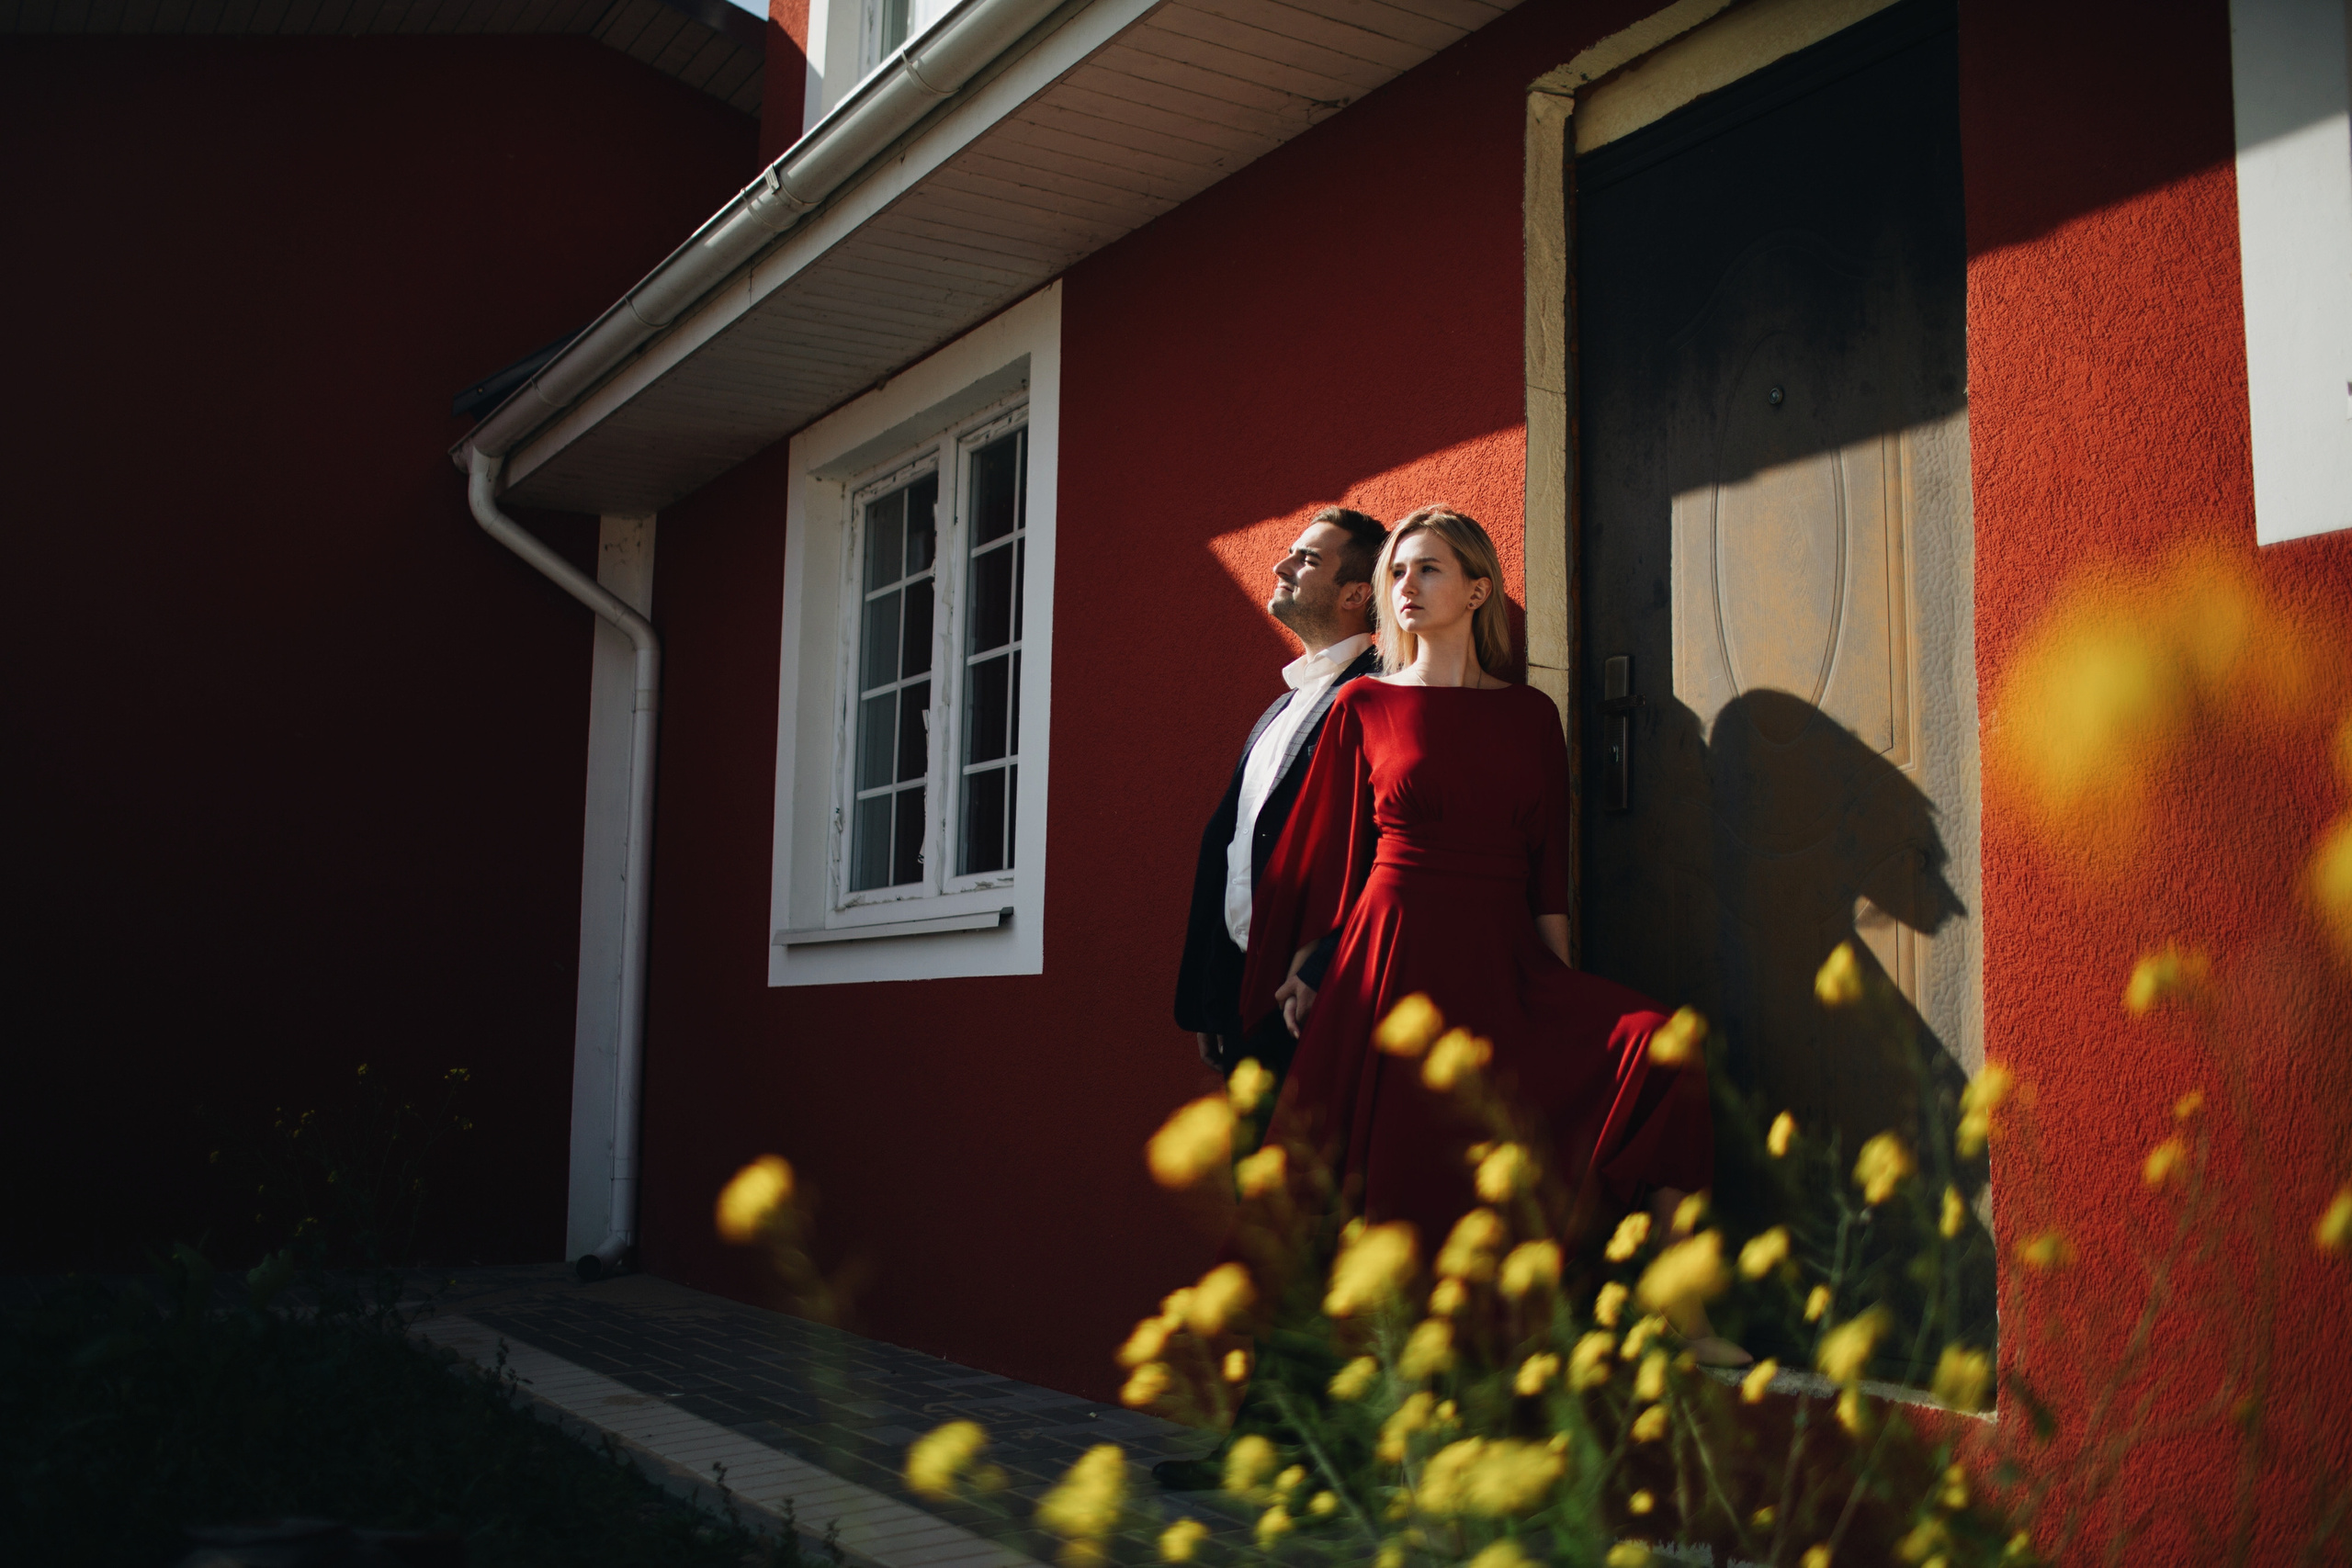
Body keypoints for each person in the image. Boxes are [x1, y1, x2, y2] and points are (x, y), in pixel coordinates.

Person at [1242, 504, 1744, 1363]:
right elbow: (1333, 858)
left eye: (1427, 568)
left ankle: (1681, 1307)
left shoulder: (1529, 715)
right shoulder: (1361, 704)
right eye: (1397, 571)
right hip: (1391, 961)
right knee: (1405, 1185)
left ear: (1479, 589)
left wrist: (1556, 994)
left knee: (1667, 1049)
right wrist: (1305, 966)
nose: (1406, 586)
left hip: (1502, 958)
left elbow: (1550, 869)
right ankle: (1405, 1411)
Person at [1173, 506, 1388, 1081]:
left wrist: (1322, 967)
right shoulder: (1282, 706)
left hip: (1322, 999)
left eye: (1308, 558)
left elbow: (1388, 850)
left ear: (1354, 594)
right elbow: (1233, 844)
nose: (1280, 564)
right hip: (1244, 999)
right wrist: (1212, 993)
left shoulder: (1382, 696)